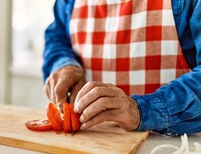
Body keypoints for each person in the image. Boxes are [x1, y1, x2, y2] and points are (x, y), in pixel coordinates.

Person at [43, 0, 201, 135]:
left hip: (172, 151)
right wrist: (64, 64)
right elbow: (57, 36)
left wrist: (140, 111)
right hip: (95, 143)